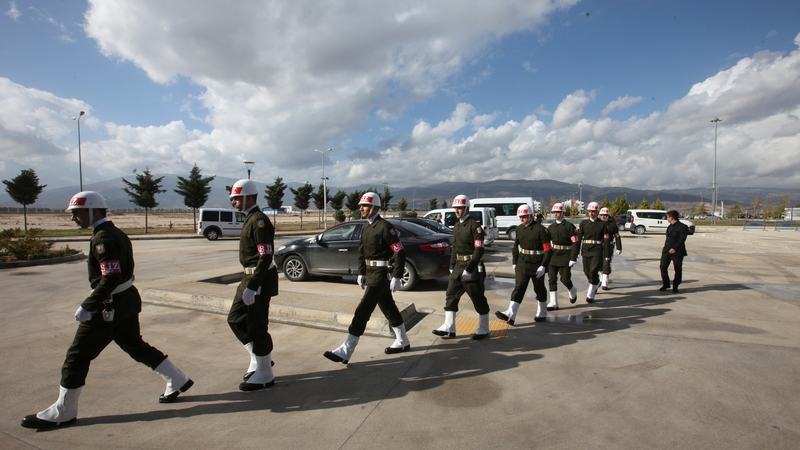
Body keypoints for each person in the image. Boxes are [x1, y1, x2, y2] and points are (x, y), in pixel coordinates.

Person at [21, 191, 193, 430]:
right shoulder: (114, 232)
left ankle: (64, 410)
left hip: (109, 304)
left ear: (93, 210)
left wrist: (89, 305)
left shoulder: (103, 238)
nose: (74, 218)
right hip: (126, 299)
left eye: (77, 213)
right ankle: (176, 378)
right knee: (134, 344)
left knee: (77, 355)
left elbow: (110, 277)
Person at [324, 192, 409, 364]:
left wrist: (397, 275)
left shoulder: (384, 227)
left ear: (374, 207)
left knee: (362, 310)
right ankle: (402, 340)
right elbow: (362, 251)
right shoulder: (366, 227)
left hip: (380, 275)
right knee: (389, 308)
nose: (361, 209)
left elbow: (399, 251)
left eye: (364, 206)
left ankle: (346, 350)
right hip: (371, 274)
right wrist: (361, 272)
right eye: (361, 206)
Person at [228, 179, 278, 391]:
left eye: (236, 199)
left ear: (248, 197)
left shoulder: (259, 221)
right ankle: (259, 359)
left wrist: (252, 286)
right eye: (232, 199)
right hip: (249, 278)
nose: (233, 203)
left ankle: (265, 374)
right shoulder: (250, 219)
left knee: (257, 326)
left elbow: (265, 256)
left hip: (258, 279)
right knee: (235, 319)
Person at [432, 195, 490, 340]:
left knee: (477, 298)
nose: (456, 211)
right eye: (455, 208)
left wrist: (470, 269)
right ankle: (449, 327)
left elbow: (479, 250)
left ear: (466, 208)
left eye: (459, 208)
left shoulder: (474, 226)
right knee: (451, 295)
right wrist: (452, 266)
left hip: (472, 268)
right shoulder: (457, 226)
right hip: (458, 266)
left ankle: (483, 328)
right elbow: (455, 248)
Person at [495, 204, 552, 325]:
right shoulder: (519, 229)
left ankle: (542, 311)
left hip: (537, 264)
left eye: (524, 216)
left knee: (539, 288)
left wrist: (543, 266)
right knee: (519, 287)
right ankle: (511, 314)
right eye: (520, 216)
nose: (522, 219)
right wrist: (515, 262)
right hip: (522, 263)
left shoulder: (541, 230)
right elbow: (516, 247)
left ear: (531, 216)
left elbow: (547, 250)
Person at [545, 203, 579, 310]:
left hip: (565, 255)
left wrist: (573, 258)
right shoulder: (551, 227)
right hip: (553, 255)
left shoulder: (569, 227)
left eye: (558, 212)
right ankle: (553, 302)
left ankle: (572, 290)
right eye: (554, 212)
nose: (556, 214)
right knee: (552, 279)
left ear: (563, 213)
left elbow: (575, 243)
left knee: (565, 279)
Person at [578, 202, 610, 303]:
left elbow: (606, 240)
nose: (592, 213)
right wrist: (575, 252)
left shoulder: (602, 224)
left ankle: (591, 294)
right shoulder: (584, 223)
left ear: (597, 212)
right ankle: (596, 282)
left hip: (597, 250)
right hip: (586, 249)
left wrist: (607, 255)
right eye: (590, 211)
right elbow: (579, 237)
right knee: (587, 271)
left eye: (594, 212)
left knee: (593, 271)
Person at [660, 210, 689, 293]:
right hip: (667, 251)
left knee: (677, 269)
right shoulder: (670, 226)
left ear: (671, 217)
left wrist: (674, 248)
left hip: (677, 252)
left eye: (668, 216)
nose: (667, 218)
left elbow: (681, 240)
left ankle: (675, 285)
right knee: (663, 267)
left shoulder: (683, 227)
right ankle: (666, 284)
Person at [599, 207, 622, 290]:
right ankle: (601, 278)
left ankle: (604, 282)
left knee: (606, 263)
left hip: (608, 246)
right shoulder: (597, 224)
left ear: (608, 215)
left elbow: (617, 236)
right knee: (599, 264)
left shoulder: (612, 224)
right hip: (598, 247)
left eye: (605, 215)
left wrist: (619, 248)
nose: (603, 217)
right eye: (601, 215)